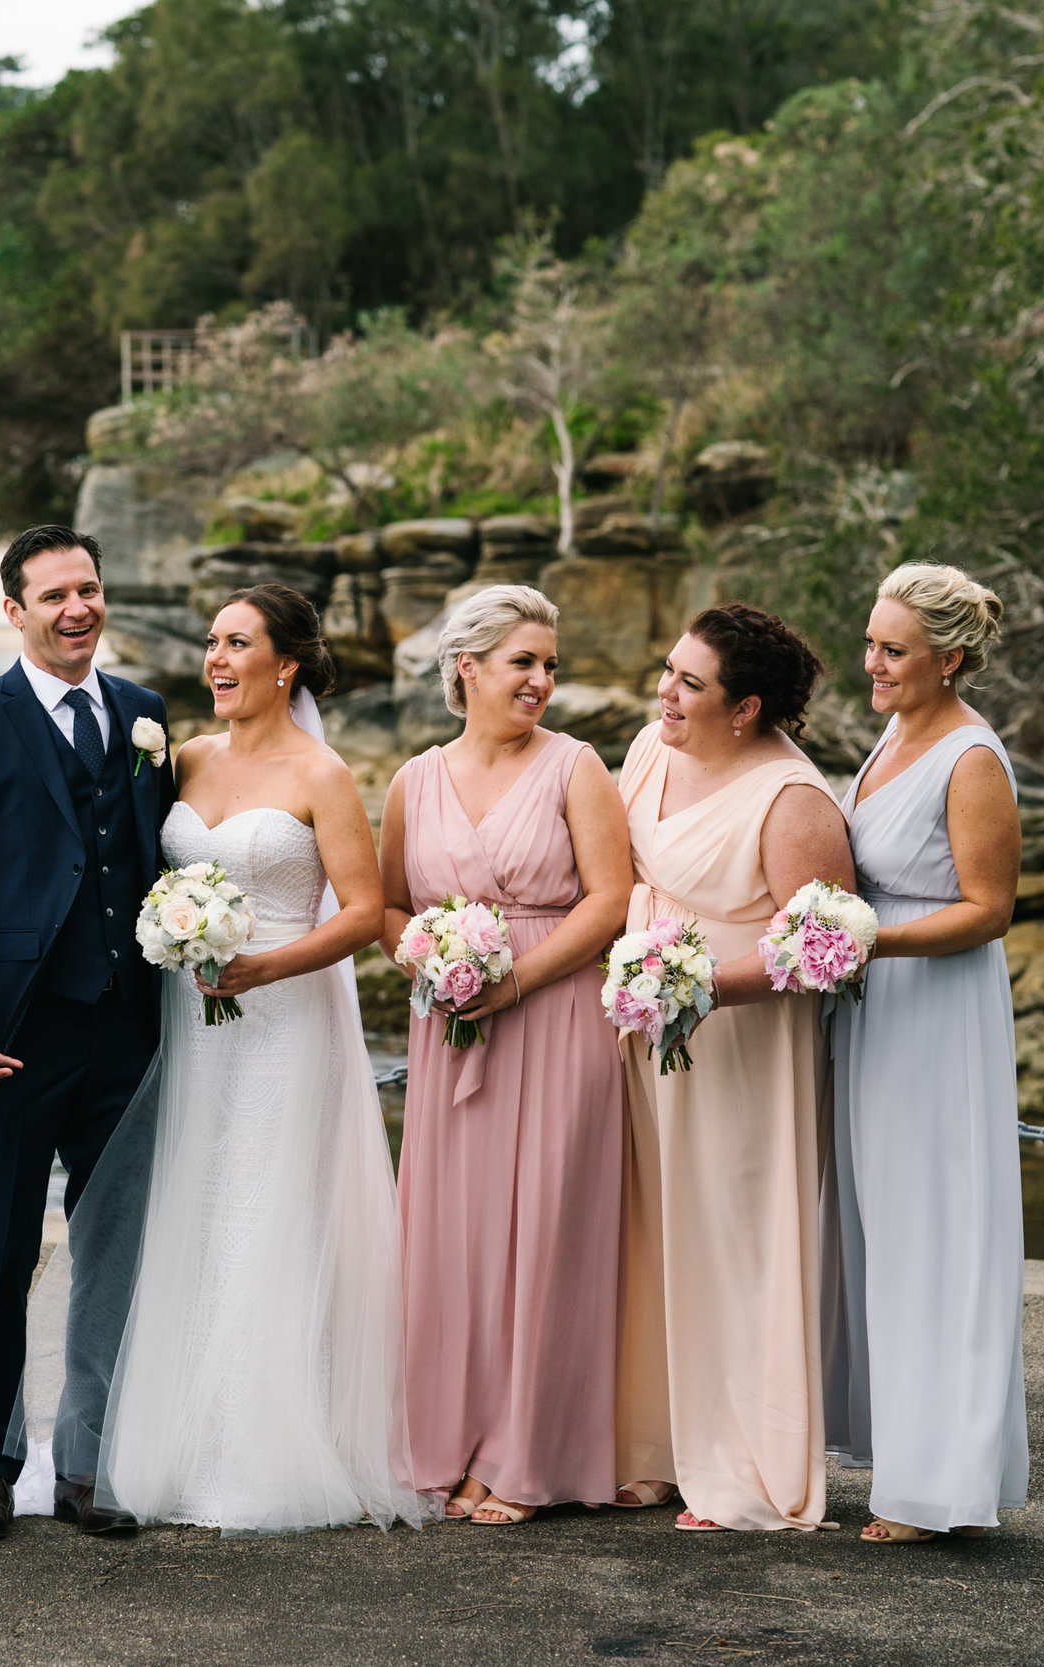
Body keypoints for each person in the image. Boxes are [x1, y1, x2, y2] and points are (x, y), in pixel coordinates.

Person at [80, 584, 428, 1534]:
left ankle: (264, 1448)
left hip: (285, 1020)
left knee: (268, 1210)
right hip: (193, 1021)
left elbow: (361, 911)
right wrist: (173, 937)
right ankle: (177, 1444)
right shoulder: (184, 757)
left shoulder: (322, 774)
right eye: (210, 643)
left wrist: (265, 963)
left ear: (286, 665)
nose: (216, 660)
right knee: (191, 1201)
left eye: (238, 643)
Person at [0, 526, 175, 1539]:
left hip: (129, 1031)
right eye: (55, 593)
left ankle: (89, 1459)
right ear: (14, 611)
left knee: (114, 1251)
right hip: (18, 1030)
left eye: (90, 588)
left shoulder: (147, 716)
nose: (79, 607)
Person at [380, 586, 632, 1526]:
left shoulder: (576, 766)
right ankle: (447, 1441)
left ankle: (526, 1454)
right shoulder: (414, 779)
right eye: (525, 661)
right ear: (467, 667)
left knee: (549, 1235)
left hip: (557, 1014)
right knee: (455, 1238)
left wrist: (515, 977)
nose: (543, 680)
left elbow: (611, 901)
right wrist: (434, 959)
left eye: (550, 665)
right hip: (454, 1027)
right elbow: (391, 907)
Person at [612, 603, 855, 1533]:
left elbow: (826, 945)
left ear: (746, 707)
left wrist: (698, 984)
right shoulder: (647, 751)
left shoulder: (792, 802)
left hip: (744, 1047)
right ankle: (660, 1449)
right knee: (656, 1232)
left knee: (737, 1241)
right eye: (668, 671)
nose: (665, 693)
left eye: (689, 684)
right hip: (649, 1033)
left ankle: (750, 1468)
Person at [823, 564, 1027, 1544]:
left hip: (937, 1009)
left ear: (948, 656)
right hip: (873, 1005)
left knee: (935, 1230)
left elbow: (988, 909)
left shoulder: (971, 755)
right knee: (881, 1225)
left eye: (892, 650)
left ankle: (937, 1481)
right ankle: (902, 1454)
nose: (872, 662)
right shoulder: (892, 735)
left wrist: (871, 940)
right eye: (870, 642)